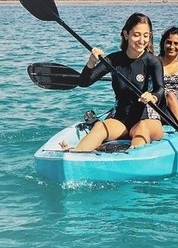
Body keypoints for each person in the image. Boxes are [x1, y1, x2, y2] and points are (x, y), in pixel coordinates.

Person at [60, 13, 165, 152]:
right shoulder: (113, 60)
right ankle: (77, 153)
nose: (141, 40)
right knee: (99, 127)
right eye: (136, 35)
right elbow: (84, 82)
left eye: (146, 35)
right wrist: (91, 62)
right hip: (120, 121)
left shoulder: (153, 61)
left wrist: (153, 96)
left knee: (141, 129)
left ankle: (132, 159)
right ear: (126, 34)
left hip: (148, 120)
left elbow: (160, 89)